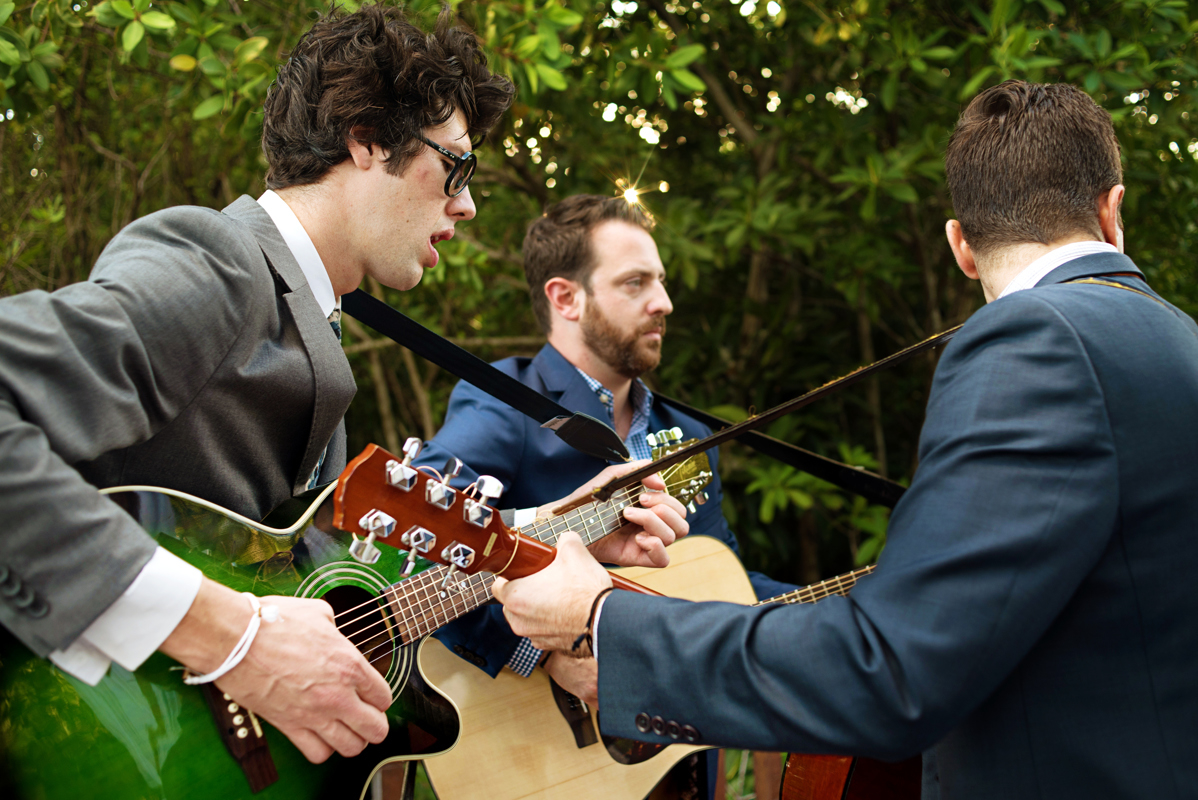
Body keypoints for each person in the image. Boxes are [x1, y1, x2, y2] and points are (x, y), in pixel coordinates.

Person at [492, 80, 1198, 798]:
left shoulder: (1036, 339)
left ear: (960, 245)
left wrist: (602, 619)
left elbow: (891, 671)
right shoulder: (1180, 345)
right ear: (1114, 212)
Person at [0, 3, 521, 766]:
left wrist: (564, 530)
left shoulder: (309, 323)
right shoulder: (218, 263)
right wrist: (228, 635)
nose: (467, 203)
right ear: (369, 138)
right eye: (456, 164)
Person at [414, 194, 795, 797]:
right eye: (635, 283)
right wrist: (548, 653)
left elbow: (724, 583)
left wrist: (859, 606)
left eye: (661, 281)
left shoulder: (688, 437)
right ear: (566, 298)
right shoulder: (503, 402)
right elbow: (425, 537)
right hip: (543, 761)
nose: (663, 302)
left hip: (679, 767)